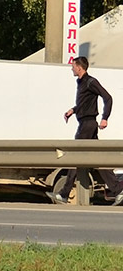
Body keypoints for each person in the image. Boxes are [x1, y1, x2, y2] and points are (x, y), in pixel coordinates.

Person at [49, 56, 122, 204]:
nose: (71, 69)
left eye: (73, 66)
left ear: (80, 67)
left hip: (87, 125)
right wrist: (74, 110)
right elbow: (85, 103)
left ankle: (64, 193)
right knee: (97, 160)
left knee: (75, 156)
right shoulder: (82, 83)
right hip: (86, 123)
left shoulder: (90, 81)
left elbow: (108, 98)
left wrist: (105, 117)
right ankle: (119, 189)